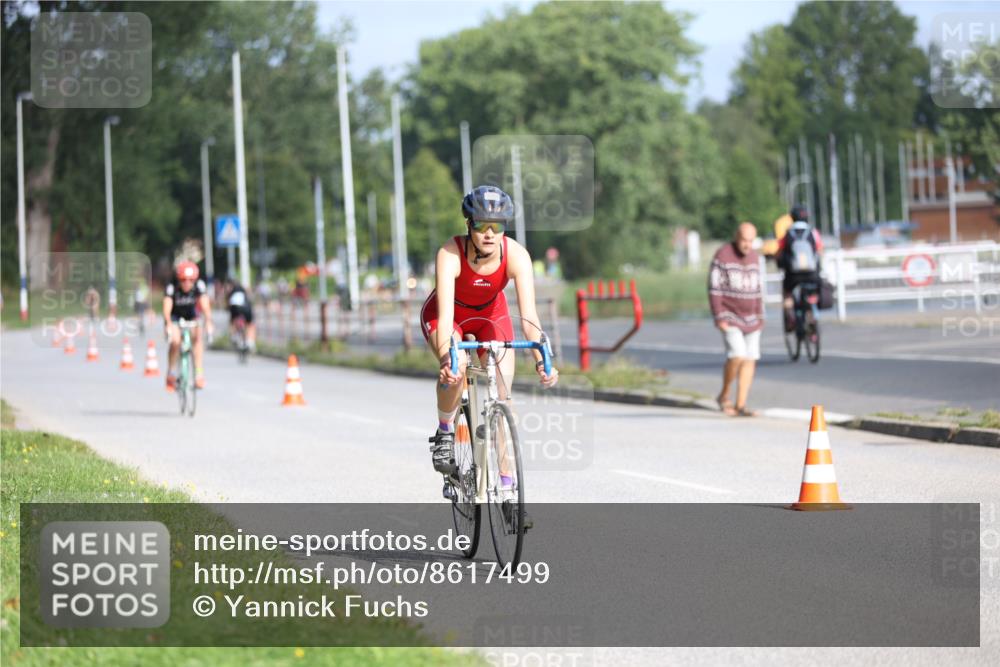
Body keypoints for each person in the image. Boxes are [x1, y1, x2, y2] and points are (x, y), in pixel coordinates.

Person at [421, 185, 559, 495]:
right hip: (449, 315)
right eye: (481, 224)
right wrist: (448, 359)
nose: (489, 233)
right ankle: (445, 433)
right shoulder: (450, 253)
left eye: (496, 226)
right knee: (456, 371)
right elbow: (444, 320)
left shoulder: (517, 256)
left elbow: (529, 319)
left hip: (490, 316)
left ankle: (508, 487)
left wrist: (542, 361)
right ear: (468, 225)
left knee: (503, 396)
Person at [708, 222, 763, 417]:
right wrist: (719, 315)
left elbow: (757, 289)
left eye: (751, 241)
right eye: (744, 240)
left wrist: (759, 314)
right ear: (736, 237)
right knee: (737, 355)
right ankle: (724, 395)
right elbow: (715, 288)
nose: (747, 245)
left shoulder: (755, 257)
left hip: (751, 317)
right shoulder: (723, 255)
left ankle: (741, 404)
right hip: (730, 316)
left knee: (750, 359)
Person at [163, 261, 213, 390]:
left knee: (197, 338)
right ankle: (171, 372)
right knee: (175, 341)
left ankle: (198, 374)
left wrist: (208, 322)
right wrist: (168, 323)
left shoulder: (199, 285)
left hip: (192, 315)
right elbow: (167, 308)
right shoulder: (172, 286)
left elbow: (205, 305)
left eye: (191, 280)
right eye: (183, 280)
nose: (187, 283)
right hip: (175, 316)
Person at [776, 204, 823, 333]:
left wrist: (779, 264)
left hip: (793, 274)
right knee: (812, 291)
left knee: (787, 293)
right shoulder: (813, 231)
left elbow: (780, 251)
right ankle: (812, 315)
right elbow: (819, 249)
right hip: (811, 272)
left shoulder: (788, 233)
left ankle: (791, 317)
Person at [226, 280, 257, 352]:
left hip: (235, 308)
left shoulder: (231, 291)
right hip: (246, 308)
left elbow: (228, 304)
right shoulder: (244, 290)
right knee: (250, 324)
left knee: (232, 321)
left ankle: (234, 336)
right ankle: (250, 342)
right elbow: (249, 299)